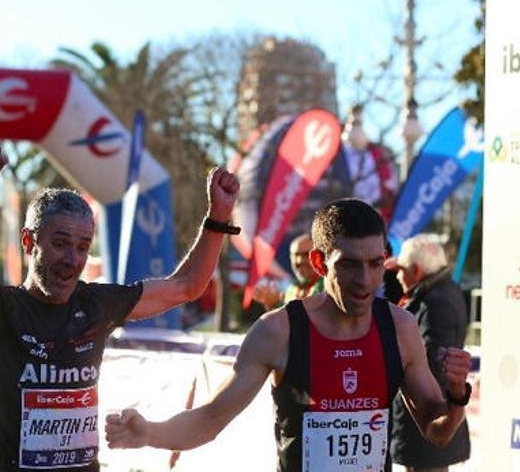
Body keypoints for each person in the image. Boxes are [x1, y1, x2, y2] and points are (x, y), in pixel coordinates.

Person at [105, 198, 473, 472]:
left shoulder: (399, 327)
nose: (364, 281)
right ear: (318, 264)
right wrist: (149, 433)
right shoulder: (278, 331)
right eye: (348, 265)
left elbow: (436, 431)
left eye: (374, 264)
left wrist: (456, 398)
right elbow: (211, 418)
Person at [0, 144, 240, 471]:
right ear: (29, 242)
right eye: (60, 244)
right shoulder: (0, 307)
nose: (72, 260)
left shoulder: (96, 304)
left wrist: (219, 218)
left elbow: (187, 286)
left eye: (82, 247)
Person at [386, 234, 470, 471]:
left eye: (400, 270)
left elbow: (432, 362)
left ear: (416, 269)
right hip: (428, 420)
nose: (397, 276)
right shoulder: (437, 292)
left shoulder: (436, 302)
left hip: (429, 421)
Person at [253, 233, 324, 310]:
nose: (299, 261)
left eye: (306, 254)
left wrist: (277, 303)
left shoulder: (329, 284)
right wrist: (275, 304)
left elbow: (312, 314)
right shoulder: (291, 290)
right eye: (296, 255)